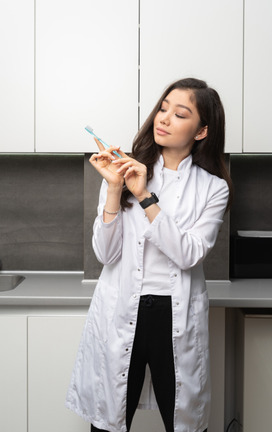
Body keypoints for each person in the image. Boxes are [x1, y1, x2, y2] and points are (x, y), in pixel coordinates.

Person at [66, 77, 233, 432]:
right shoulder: (122, 171)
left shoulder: (213, 188)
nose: (164, 118)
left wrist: (145, 197)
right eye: (163, 108)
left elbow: (189, 254)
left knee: (184, 421)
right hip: (123, 306)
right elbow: (105, 255)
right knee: (110, 420)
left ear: (201, 131)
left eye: (180, 113)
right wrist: (114, 189)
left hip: (174, 313)